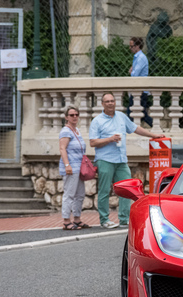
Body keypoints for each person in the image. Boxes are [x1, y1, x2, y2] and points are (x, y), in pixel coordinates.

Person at [89, 92, 164, 228]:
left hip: (121, 160)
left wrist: (153, 135)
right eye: (107, 101)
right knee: (104, 190)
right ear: (102, 104)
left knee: (128, 189)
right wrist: (110, 139)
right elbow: (93, 142)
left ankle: (124, 219)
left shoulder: (121, 117)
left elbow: (135, 128)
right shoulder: (97, 121)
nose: (110, 103)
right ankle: (104, 219)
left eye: (112, 101)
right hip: (105, 159)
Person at [59, 106, 89, 230]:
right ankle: (66, 220)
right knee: (69, 194)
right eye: (71, 115)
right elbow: (62, 148)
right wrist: (67, 165)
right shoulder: (66, 131)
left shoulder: (77, 131)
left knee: (80, 194)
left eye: (76, 114)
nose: (75, 117)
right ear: (66, 117)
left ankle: (77, 218)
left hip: (79, 167)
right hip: (71, 167)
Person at [127, 37, 153, 127]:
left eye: (132, 46)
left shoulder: (141, 58)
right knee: (140, 113)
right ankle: (156, 126)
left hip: (140, 90)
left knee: (132, 112)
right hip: (139, 89)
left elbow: (135, 74)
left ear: (137, 46)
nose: (130, 48)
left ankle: (156, 127)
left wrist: (131, 71)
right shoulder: (138, 57)